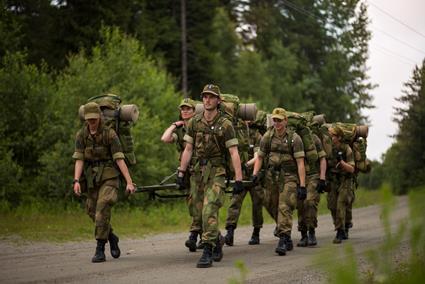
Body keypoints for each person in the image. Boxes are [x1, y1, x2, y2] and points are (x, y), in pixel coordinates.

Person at [177, 84, 243, 268]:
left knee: (209, 210)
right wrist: (181, 172)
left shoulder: (226, 124)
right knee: (196, 212)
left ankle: (207, 250)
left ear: (218, 100)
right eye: (205, 96)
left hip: (217, 172)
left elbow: (234, 152)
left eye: (211, 97)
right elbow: (188, 149)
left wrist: (238, 178)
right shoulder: (194, 122)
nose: (207, 99)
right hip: (197, 172)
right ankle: (217, 240)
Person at [72, 102, 136, 263]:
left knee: (102, 209)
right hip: (92, 178)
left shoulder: (110, 134)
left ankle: (100, 249)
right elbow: (79, 159)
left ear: (99, 118)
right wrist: (76, 181)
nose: (92, 122)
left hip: (110, 176)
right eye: (89, 119)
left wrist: (129, 182)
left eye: (94, 119)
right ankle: (112, 237)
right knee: (91, 210)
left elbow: (120, 159)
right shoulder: (81, 135)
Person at [252, 108, 306, 256]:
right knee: (270, 202)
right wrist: (255, 174)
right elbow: (260, 157)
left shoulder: (295, 139)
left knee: (284, 206)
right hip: (271, 177)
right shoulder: (268, 136)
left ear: (286, 121)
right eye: (274, 120)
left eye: (279, 120)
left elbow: (300, 163)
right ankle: (285, 232)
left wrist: (302, 185)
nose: (277, 123)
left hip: (289, 177)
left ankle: (283, 238)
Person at [161, 98, 203, 251]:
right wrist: (174, 125)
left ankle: (195, 235)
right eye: (182, 109)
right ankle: (207, 235)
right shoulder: (180, 130)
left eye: (188, 109)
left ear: (195, 111)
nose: (185, 111)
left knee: (196, 203)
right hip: (185, 170)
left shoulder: (200, 126)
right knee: (192, 204)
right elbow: (165, 138)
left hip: (200, 169)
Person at [224, 118, 264, 246]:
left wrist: (248, 165)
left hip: (254, 175)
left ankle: (256, 232)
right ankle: (230, 232)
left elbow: (259, 154)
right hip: (239, 175)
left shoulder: (255, 134)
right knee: (235, 203)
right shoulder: (234, 132)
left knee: (257, 203)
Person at [296, 133, 327, 247]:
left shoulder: (313, 138)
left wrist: (322, 178)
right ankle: (303, 234)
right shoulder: (292, 138)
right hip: (298, 177)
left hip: (313, 175)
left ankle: (311, 232)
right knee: (300, 204)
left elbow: (322, 158)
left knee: (310, 202)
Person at [326, 126, 355, 244]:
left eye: (332, 136)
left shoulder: (346, 149)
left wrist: (341, 162)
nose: (330, 138)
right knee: (332, 205)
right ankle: (342, 225)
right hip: (332, 180)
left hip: (345, 180)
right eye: (330, 135)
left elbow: (352, 169)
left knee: (341, 204)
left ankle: (340, 230)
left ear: (339, 137)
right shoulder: (328, 148)